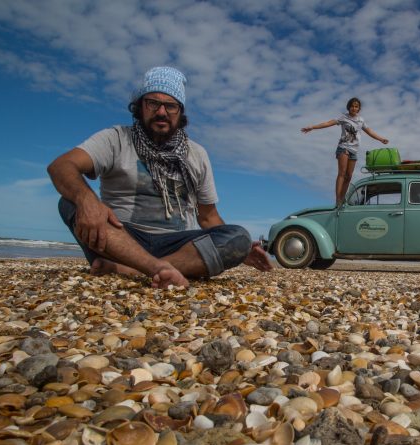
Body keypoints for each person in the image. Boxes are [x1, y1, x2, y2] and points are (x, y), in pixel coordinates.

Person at [48, 66, 272, 288]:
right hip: (120, 241)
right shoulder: (116, 139)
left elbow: (208, 218)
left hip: (177, 245)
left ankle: (136, 270)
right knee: (70, 201)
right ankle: (154, 268)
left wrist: (239, 250)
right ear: (140, 106)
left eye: (171, 106)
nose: (162, 112)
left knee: (239, 237)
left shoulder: (197, 154)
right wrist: (87, 200)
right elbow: (61, 166)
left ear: (180, 112)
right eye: (153, 103)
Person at [301, 97, 389, 205]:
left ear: (358, 109)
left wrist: (380, 139)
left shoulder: (361, 120)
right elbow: (328, 123)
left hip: (354, 150)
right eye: (352, 106)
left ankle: (343, 198)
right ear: (349, 107)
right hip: (344, 147)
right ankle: (338, 199)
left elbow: (369, 131)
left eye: (356, 106)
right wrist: (312, 127)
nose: (354, 108)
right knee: (342, 173)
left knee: (349, 176)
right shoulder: (343, 118)